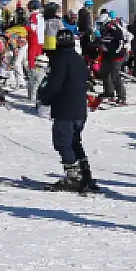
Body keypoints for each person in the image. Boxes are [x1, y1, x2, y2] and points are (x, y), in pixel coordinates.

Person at [38, 30, 98, 193]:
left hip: (65, 108)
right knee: (74, 142)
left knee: (63, 143)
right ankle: (85, 174)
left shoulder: (59, 60)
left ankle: (74, 177)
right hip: (79, 108)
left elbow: (54, 84)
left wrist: (44, 97)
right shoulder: (78, 59)